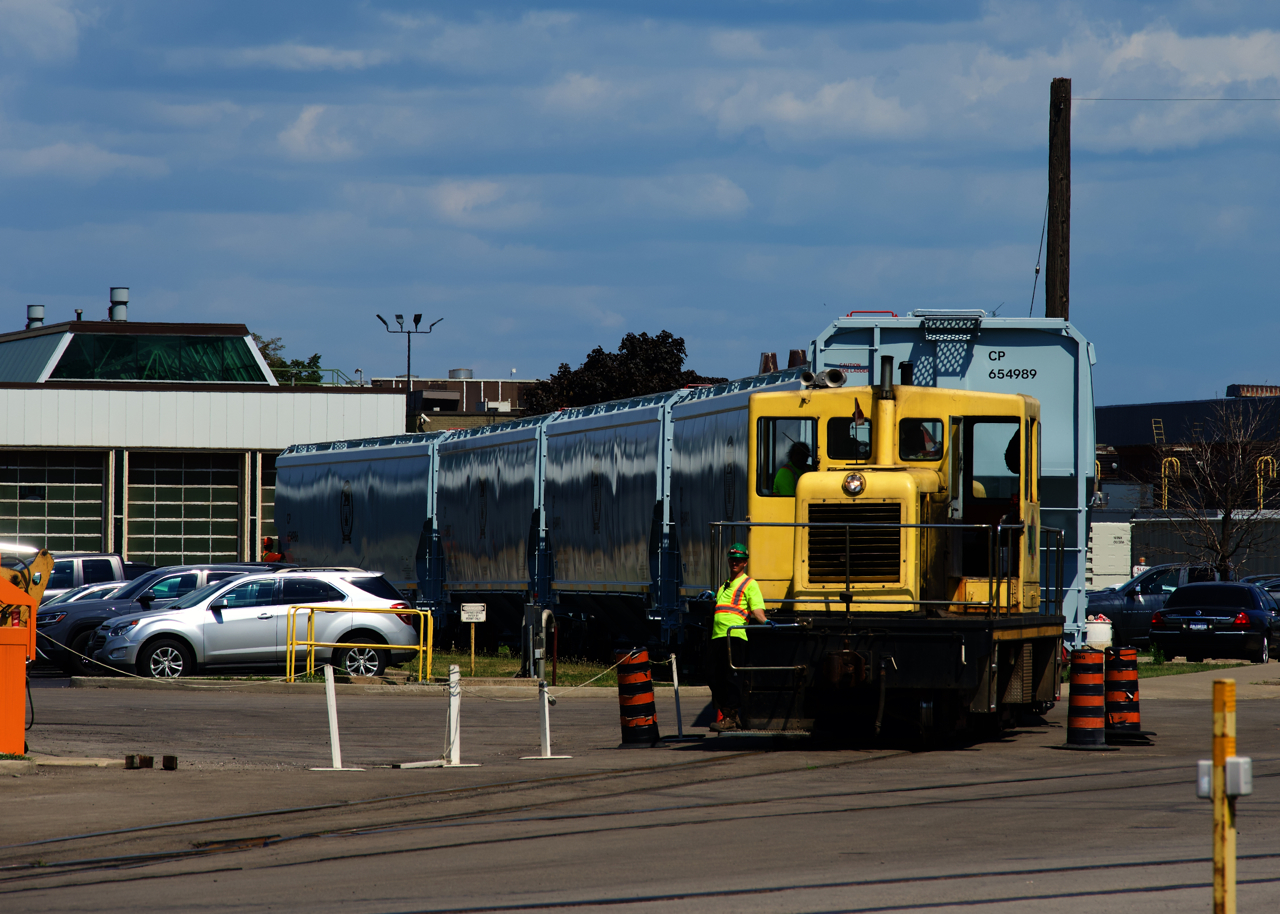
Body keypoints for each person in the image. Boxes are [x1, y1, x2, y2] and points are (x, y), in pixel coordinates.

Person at [708, 543, 768, 732]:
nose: (735, 562)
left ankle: (731, 717)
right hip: (718, 636)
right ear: (728, 560)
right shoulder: (724, 585)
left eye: (739, 560)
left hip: (735, 635)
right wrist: (710, 595)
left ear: (745, 563)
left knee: (732, 678)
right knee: (713, 675)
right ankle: (729, 714)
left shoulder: (750, 584)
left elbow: (757, 610)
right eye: (733, 559)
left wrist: (765, 621)